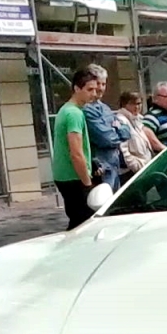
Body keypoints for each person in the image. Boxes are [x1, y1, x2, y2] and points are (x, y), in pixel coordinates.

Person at [52, 67, 103, 230]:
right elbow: (76, 152)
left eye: (95, 89)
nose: (94, 94)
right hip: (73, 177)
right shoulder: (74, 114)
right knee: (82, 224)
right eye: (89, 89)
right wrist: (87, 184)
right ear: (76, 88)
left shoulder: (67, 110)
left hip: (66, 175)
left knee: (78, 221)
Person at [83, 65, 130, 192]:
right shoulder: (87, 109)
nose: (100, 88)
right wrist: (118, 130)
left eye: (103, 84)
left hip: (114, 165)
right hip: (101, 166)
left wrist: (118, 130)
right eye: (98, 83)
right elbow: (106, 139)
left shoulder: (105, 108)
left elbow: (127, 133)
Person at [114, 91, 163, 180]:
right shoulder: (121, 120)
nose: (137, 107)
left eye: (139, 103)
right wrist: (135, 166)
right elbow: (123, 149)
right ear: (124, 104)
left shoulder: (139, 119)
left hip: (145, 167)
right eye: (133, 104)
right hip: (132, 172)